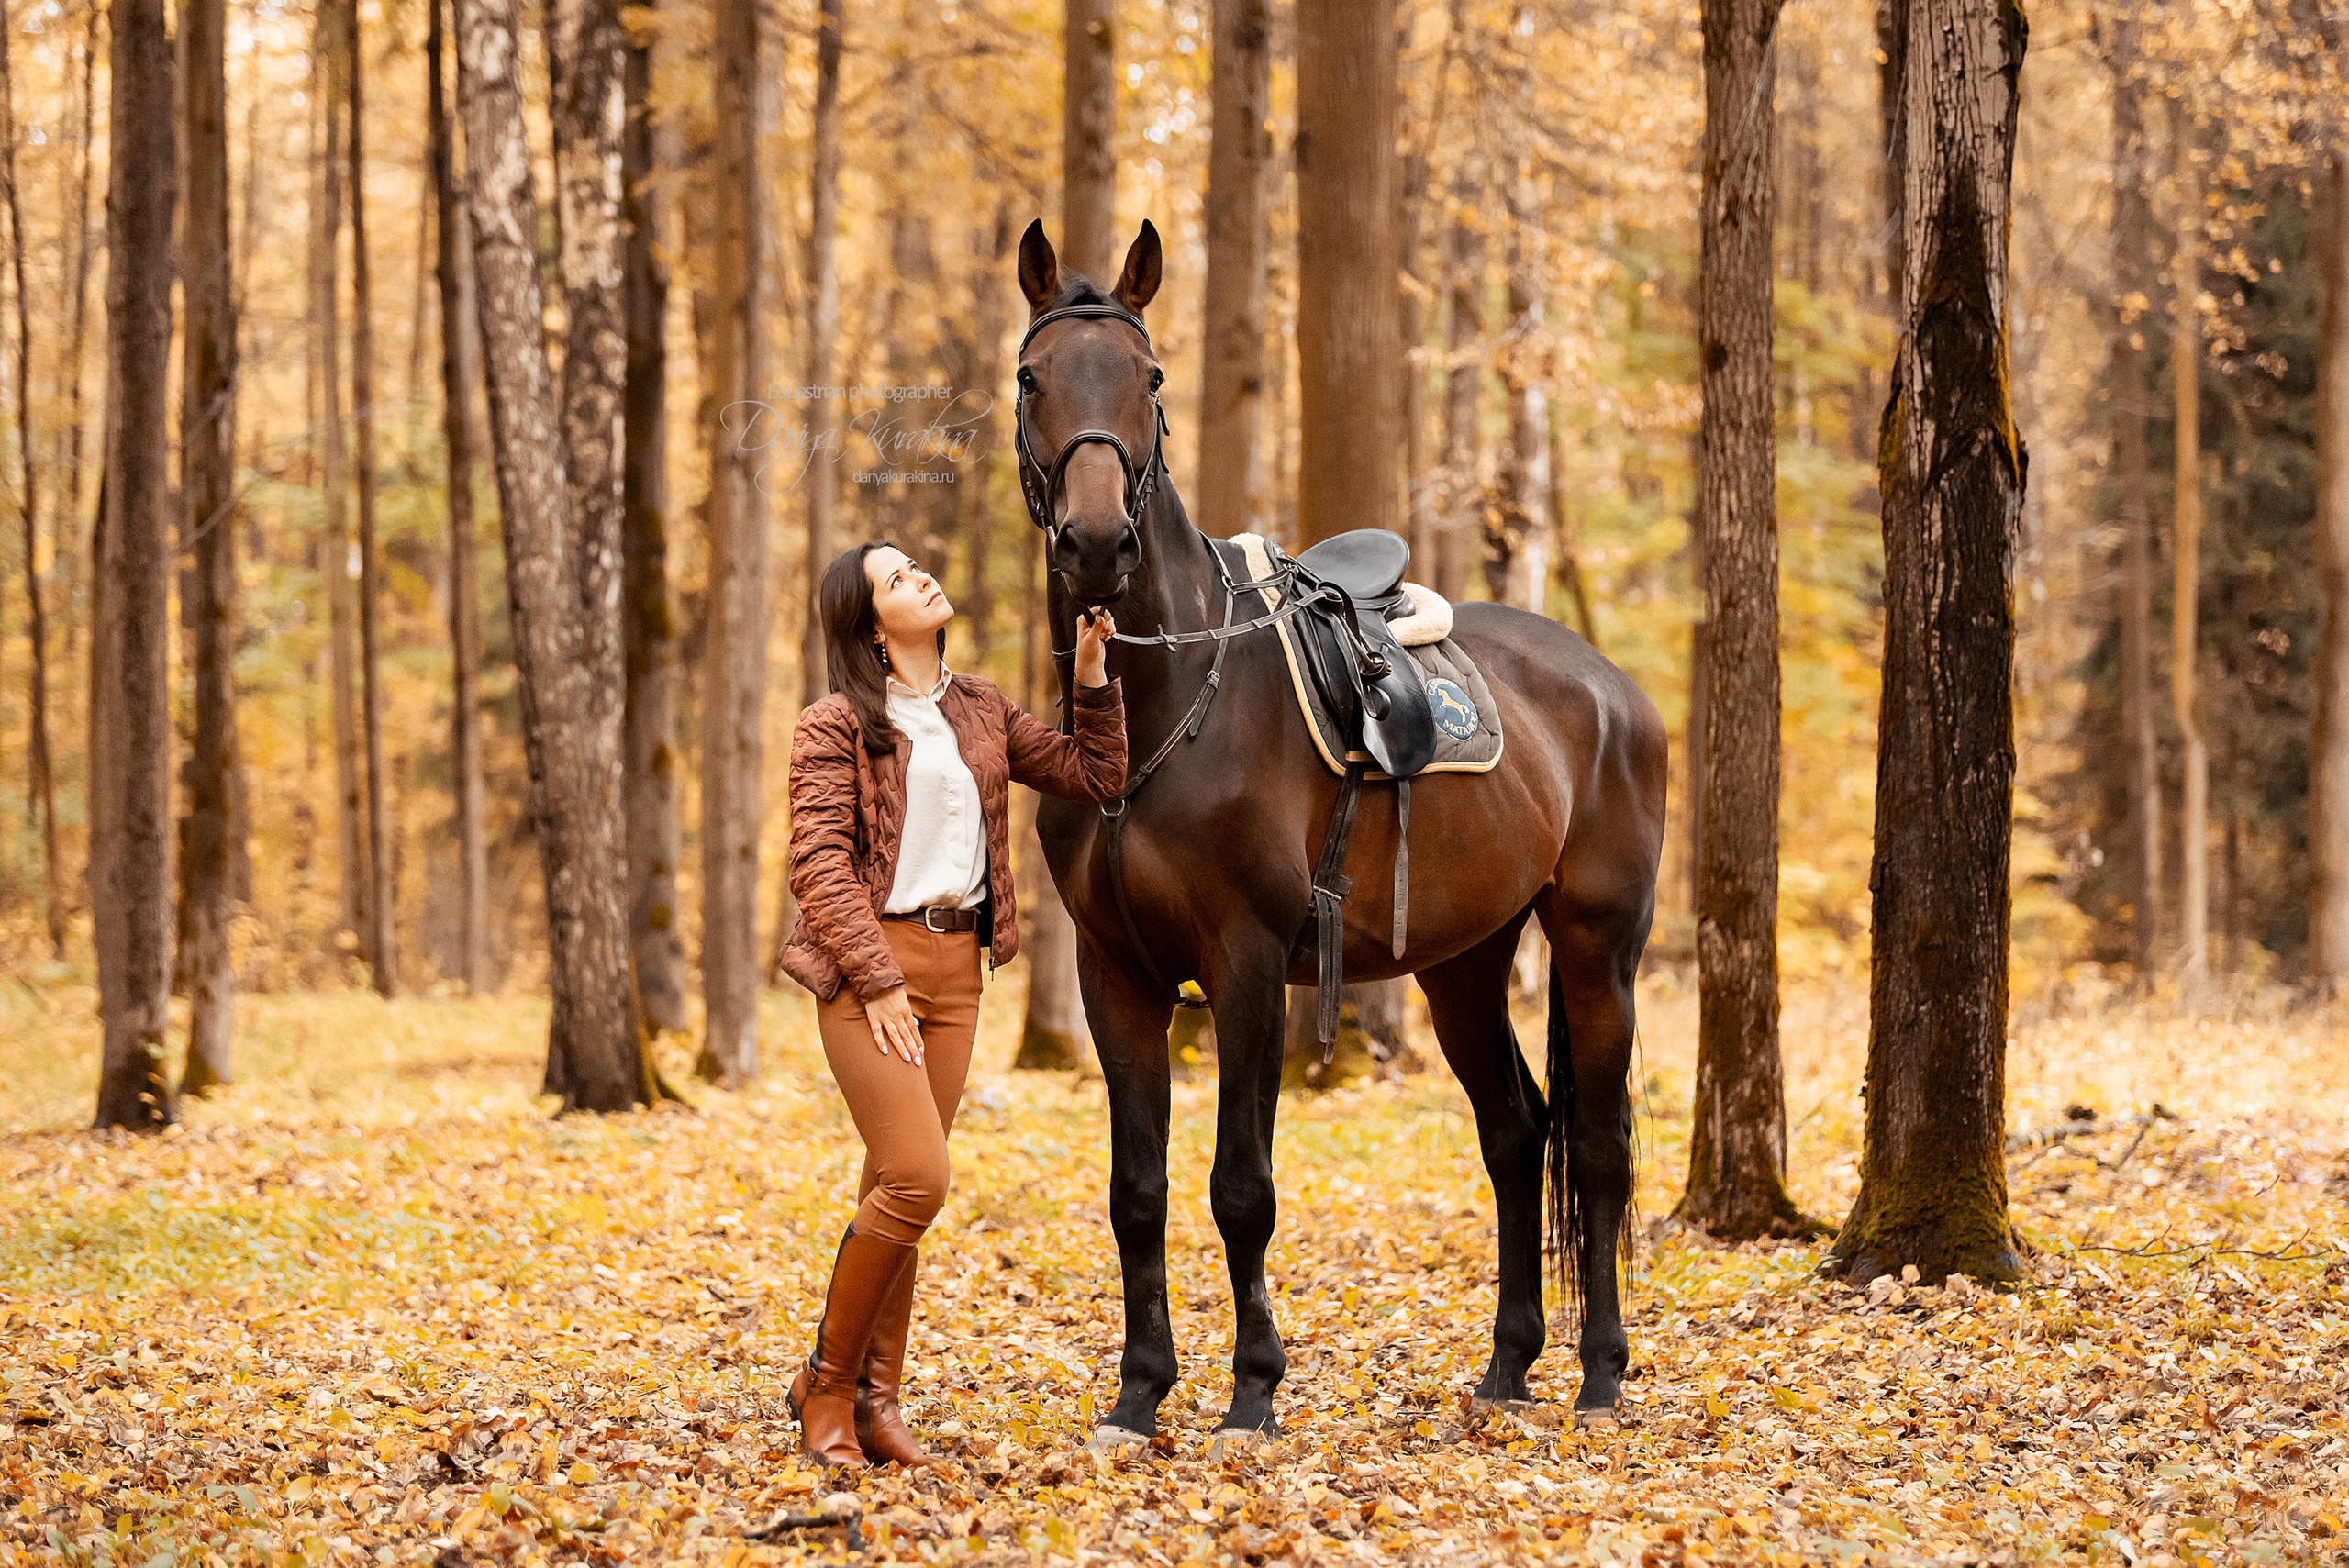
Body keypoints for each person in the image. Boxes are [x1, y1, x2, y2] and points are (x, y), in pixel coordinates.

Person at [777, 541, 1126, 1468]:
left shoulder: (977, 706)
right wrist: (878, 978)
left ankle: (878, 1406)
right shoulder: (835, 723)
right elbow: (816, 862)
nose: (922, 575)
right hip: (871, 970)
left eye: (916, 565)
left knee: (895, 1189)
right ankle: (826, 1390)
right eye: (895, 578)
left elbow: (1094, 776)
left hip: (957, 970)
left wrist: (1092, 680)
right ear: (868, 621)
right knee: (916, 1178)